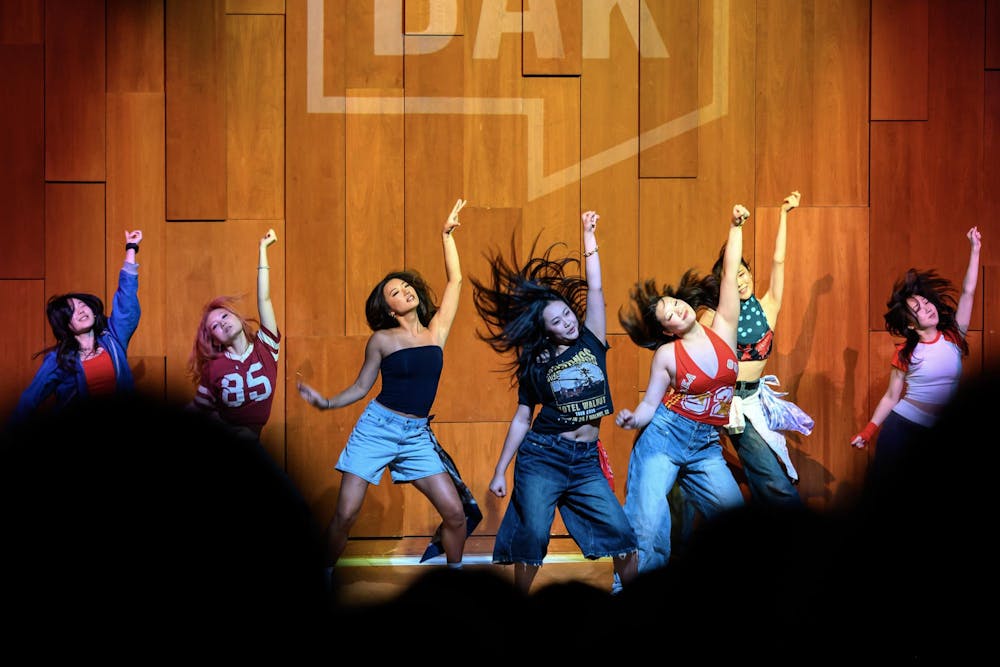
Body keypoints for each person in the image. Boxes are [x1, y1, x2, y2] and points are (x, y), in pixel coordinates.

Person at [469, 210, 638, 594]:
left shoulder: (592, 338)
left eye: (566, 314)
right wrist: (499, 470)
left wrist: (588, 235)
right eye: (558, 322)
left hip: (586, 461)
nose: (567, 323)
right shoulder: (537, 364)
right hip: (544, 456)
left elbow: (595, 290)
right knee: (532, 539)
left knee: (623, 534)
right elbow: (522, 418)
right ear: (545, 330)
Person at [297, 198, 469, 570]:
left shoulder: (436, 332)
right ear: (389, 308)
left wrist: (446, 236)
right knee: (345, 516)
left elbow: (456, 280)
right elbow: (361, 387)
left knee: (456, 514)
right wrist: (327, 403)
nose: (405, 289)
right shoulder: (382, 340)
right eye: (395, 290)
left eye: (407, 285)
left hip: (416, 434)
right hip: (377, 429)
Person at [615, 205, 748, 576]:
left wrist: (734, 227)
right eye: (668, 315)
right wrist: (631, 419)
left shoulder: (723, 327)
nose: (677, 311)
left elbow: (726, 278)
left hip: (706, 446)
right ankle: (628, 596)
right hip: (664, 438)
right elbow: (648, 406)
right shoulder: (667, 354)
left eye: (676, 304)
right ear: (668, 330)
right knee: (649, 526)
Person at [697, 191, 812, 508]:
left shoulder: (768, 306)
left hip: (757, 399)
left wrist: (784, 215)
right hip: (731, 402)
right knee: (770, 477)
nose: (740, 281)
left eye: (743, 273)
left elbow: (779, 261)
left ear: (750, 273)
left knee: (774, 470)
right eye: (732, 278)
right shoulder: (715, 316)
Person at [851, 226, 982, 473]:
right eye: (918, 308)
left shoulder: (953, 336)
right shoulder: (904, 353)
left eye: (926, 302)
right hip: (903, 427)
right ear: (910, 324)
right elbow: (891, 396)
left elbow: (968, 292)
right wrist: (868, 432)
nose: (928, 307)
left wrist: (974, 249)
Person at [9, 230, 143, 424]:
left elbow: (126, 302)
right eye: (71, 311)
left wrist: (131, 248)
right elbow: (30, 399)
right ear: (65, 325)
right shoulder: (59, 359)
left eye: (82, 304)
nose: (80, 310)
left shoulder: (112, 338)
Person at [187, 229, 281, 441]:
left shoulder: (265, 347)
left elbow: (264, 299)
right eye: (215, 327)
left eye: (224, 316)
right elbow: (197, 410)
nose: (222, 323)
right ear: (214, 339)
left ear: (237, 317)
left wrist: (262, 249)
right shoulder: (214, 368)